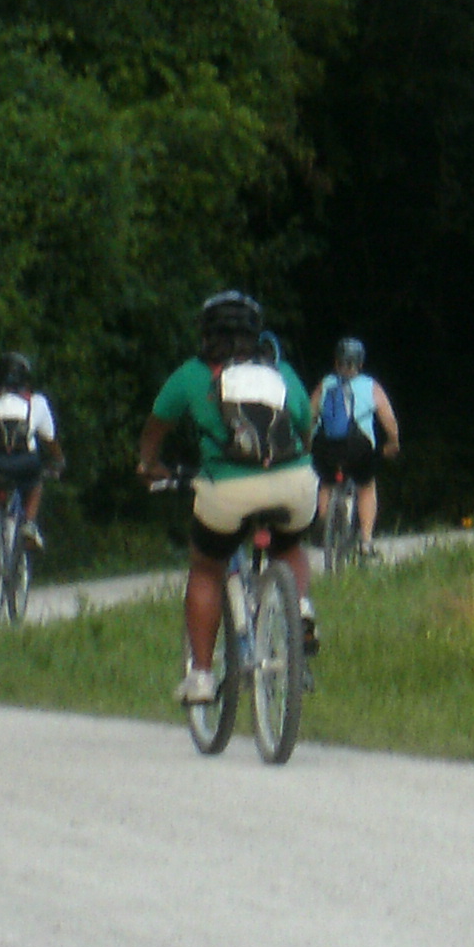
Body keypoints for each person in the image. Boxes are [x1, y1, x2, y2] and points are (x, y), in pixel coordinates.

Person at [134, 288, 317, 709]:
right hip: (294, 482)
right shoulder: (281, 373)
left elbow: (154, 430)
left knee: (206, 567)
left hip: (227, 490)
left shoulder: (191, 376)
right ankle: (301, 609)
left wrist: (149, 466)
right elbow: (307, 427)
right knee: (289, 545)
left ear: (204, 333)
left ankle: (200, 675)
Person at [0, 350, 64, 582]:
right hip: (22, 464)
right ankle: (28, 523)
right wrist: (59, 462)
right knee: (35, 482)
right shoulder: (37, 402)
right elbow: (49, 441)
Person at [311, 338, 399, 550]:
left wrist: (307, 444)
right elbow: (388, 420)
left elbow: (310, 415)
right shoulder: (370, 386)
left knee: (326, 482)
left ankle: (324, 522)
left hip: (326, 445)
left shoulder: (325, 384)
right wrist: (392, 443)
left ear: (336, 361)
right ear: (360, 363)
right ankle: (366, 542)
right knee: (366, 486)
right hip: (358, 447)